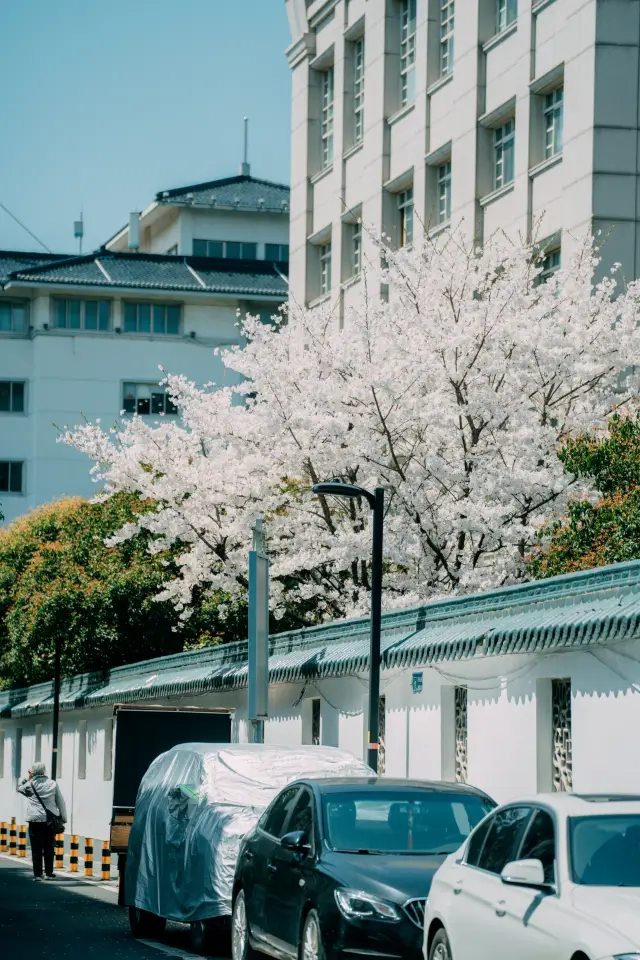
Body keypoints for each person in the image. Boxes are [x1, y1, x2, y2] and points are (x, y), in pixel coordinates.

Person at [17, 761, 67, 881]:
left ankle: (38, 874)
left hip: (34, 820)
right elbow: (61, 802)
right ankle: (49, 873)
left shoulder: (30, 784)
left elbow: (19, 788)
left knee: (36, 848)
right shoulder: (52, 784)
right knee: (49, 847)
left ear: (33, 772)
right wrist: (63, 818)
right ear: (44, 770)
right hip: (49, 821)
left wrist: (28, 778)